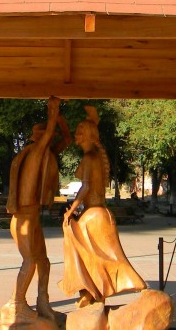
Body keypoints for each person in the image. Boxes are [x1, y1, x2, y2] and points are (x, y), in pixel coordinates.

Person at [60, 106, 146, 307]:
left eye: (80, 131)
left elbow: (86, 187)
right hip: (97, 214)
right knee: (95, 257)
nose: (76, 134)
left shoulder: (90, 158)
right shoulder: (94, 156)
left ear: (89, 135)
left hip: (95, 216)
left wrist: (71, 211)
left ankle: (90, 292)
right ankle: (92, 293)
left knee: (78, 242)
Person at [6, 96, 72, 321]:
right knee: (31, 261)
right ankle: (17, 303)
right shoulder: (35, 153)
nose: (51, 140)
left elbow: (68, 139)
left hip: (33, 219)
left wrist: (60, 118)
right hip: (23, 219)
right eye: (48, 136)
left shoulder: (47, 155)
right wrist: (53, 111)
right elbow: (51, 137)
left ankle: (42, 302)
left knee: (43, 262)